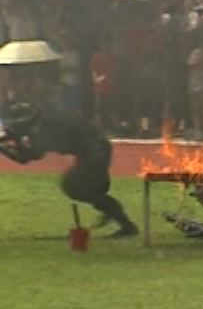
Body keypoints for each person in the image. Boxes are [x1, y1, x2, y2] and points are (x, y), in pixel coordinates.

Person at [0, 102, 138, 238]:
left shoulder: (42, 133)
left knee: (75, 186)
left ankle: (122, 221)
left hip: (95, 150)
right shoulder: (43, 122)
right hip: (94, 147)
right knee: (82, 187)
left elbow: (26, 157)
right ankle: (114, 213)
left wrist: (3, 146)